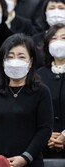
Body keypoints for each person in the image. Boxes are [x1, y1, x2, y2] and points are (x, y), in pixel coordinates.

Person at [0, 34, 54, 167]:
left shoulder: (41, 92)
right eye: (10, 56)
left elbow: (45, 129)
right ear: (3, 62)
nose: (15, 61)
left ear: (30, 62)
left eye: (21, 56)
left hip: (30, 162)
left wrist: (26, 157)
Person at [38, 23, 65, 158]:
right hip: (44, 146)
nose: (59, 42)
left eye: (64, 38)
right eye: (54, 38)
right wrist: (46, 135)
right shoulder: (38, 75)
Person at [32, 0, 65, 68]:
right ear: (45, 13)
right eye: (52, 8)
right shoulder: (35, 40)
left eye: (61, 8)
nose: (56, 12)